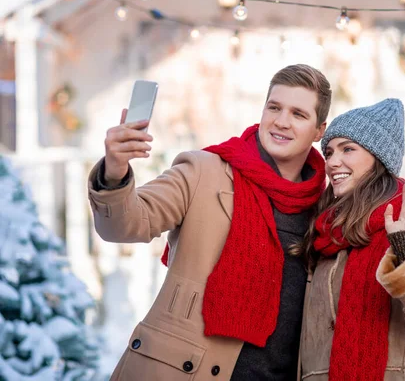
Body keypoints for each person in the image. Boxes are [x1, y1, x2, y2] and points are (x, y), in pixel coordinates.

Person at [87, 64, 332, 380]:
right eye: (274, 107)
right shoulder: (203, 171)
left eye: (298, 114)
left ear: (319, 130)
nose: (281, 121)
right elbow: (125, 224)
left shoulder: (325, 212)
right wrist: (114, 171)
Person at [294, 99, 405, 381]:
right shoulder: (326, 232)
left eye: (348, 149)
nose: (332, 162)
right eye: (329, 152)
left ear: (378, 156)